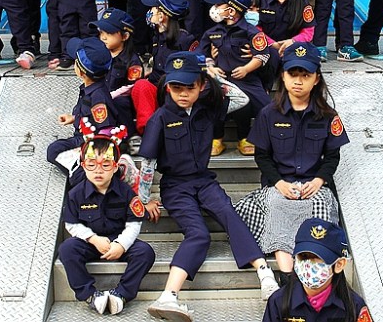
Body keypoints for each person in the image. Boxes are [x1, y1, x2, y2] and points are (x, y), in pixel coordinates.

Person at [139, 51, 280, 322]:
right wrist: (144, 198)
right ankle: (168, 296)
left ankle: (265, 274)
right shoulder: (161, 118)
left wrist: (213, 76)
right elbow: (147, 163)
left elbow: (241, 98)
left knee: (229, 213)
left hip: (204, 180)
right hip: (176, 186)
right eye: (176, 87)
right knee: (198, 234)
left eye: (189, 87)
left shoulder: (208, 109)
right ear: (167, 87)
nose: (183, 94)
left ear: (200, 85)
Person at [235, 42, 349, 276]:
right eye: (293, 74)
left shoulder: (328, 116)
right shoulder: (268, 114)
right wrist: (279, 183)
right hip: (279, 185)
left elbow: (332, 157)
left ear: (316, 79)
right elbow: (262, 157)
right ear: (283, 76)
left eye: (305, 75)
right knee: (278, 207)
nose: (298, 81)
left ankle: (313, 271)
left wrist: (318, 181)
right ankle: (288, 277)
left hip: (313, 185)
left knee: (320, 213)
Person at [59, 134, 156, 316]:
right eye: (91, 165)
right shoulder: (75, 194)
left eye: (105, 165)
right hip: (90, 243)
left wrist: (121, 245)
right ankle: (90, 295)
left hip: (118, 240)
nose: (98, 171)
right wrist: (93, 239)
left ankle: (121, 294)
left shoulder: (125, 192)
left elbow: (134, 223)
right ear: (83, 166)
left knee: (145, 252)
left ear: (115, 167)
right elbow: (71, 224)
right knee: (67, 249)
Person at [198, 0, 272, 157]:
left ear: (231, 11)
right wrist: (210, 67)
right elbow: (200, 54)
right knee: (212, 99)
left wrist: (247, 69)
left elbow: (263, 55)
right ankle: (217, 138)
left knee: (267, 109)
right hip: (221, 80)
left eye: (218, 5)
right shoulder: (212, 32)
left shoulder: (251, 32)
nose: (214, 8)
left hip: (246, 80)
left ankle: (246, 138)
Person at [263, 218, 372, 322]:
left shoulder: (354, 307)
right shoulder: (278, 302)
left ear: (339, 264)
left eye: (317, 258)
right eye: (303, 256)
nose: (308, 264)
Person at [46, 37, 120, 178]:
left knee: (54, 151)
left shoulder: (98, 97)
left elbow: (105, 131)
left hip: (90, 143)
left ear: (81, 72)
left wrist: (92, 154)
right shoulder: (91, 89)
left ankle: (83, 176)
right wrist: (74, 118)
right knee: (57, 148)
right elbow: (89, 116)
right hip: (84, 137)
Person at [130, 0, 196, 133]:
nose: (150, 11)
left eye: (153, 8)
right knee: (141, 85)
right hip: (157, 89)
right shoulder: (156, 37)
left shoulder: (185, 40)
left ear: (162, 16)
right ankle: (148, 131)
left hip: (175, 92)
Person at [91, 8, 142, 145]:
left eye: (109, 33)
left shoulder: (132, 61)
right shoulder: (100, 56)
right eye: (101, 32)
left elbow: (131, 87)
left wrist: (109, 96)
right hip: (102, 100)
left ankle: (127, 137)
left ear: (125, 36)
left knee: (120, 102)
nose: (103, 37)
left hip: (121, 105)